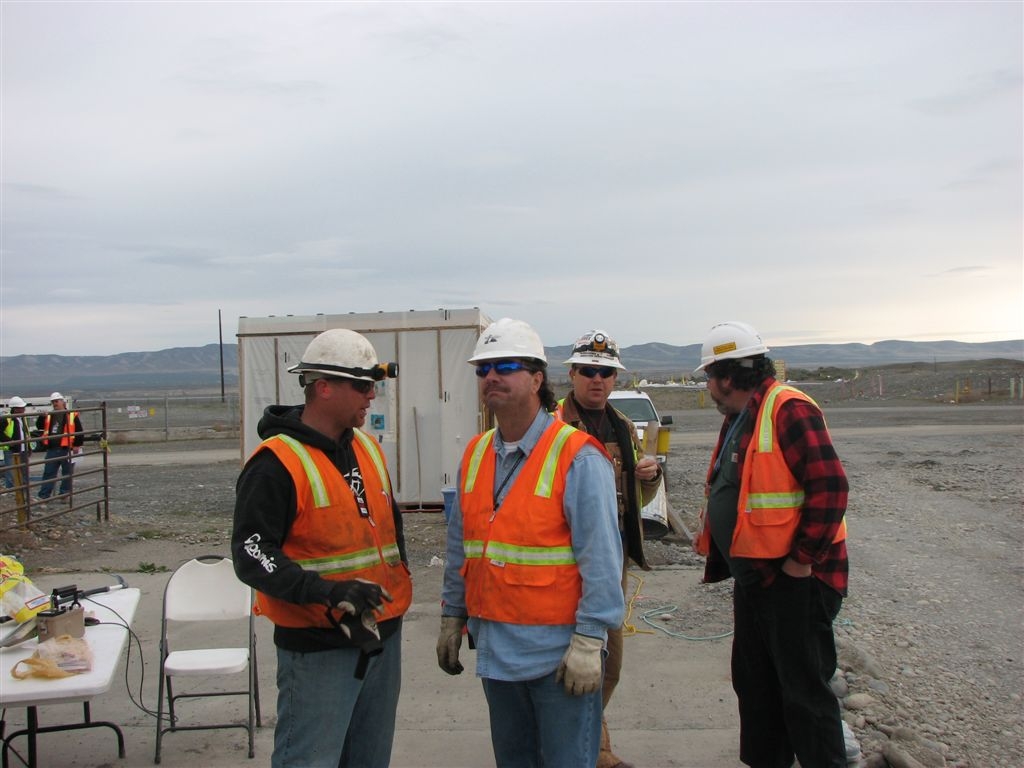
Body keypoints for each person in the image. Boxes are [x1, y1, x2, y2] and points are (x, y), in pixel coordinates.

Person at [437, 317, 625, 768]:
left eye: (505, 366)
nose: (491, 377)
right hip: (496, 652)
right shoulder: (476, 453)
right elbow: (461, 545)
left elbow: (601, 558)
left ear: (537, 378)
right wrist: (451, 614)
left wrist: (589, 639)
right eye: (483, 369)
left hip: (558, 658)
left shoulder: (577, 457)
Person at [231, 328, 412, 768]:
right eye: (363, 386)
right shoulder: (276, 463)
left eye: (375, 385)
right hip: (317, 646)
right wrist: (325, 591)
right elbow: (251, 552)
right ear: (324, 387)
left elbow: (391, 534)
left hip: (381, 636)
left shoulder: (368, 448)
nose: (372, 395)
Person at [692, 321, 850, 768]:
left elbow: (831, 488)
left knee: (803, 695)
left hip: (796, 583)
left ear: (726, 376)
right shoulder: (743, 415)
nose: (708, 387)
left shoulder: (787, 409)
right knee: (756, 687)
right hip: (760, 580)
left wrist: (800, 564)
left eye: (709, 377)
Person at [556, 329, 662, 768]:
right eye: (588, 371)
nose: (596, 379)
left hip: (610, 557)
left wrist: (650, 477)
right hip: (562, 560)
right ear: (573, 374)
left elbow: (642, 492)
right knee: (566, 660)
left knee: (608, 663)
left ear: (615, 378)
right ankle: (590, 749)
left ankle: (583, 740)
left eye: (605, 372)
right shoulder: (553, 424)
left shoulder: (622, 426)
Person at [35, 392, 83, 502]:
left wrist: (76, 445)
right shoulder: (50, 415)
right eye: (53, 402)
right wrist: (41, 417)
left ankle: (64, 494)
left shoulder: (71, 415)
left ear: (62, 401)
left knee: (67, 473)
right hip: (52, 448)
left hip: (67, 449)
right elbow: (40, 426)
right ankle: (44, 496)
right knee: (49, 473)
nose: (55, 403)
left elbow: (79, 430)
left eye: (56, 401)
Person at [1, 396, 31, 492]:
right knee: (12, 474)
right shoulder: (7, 419)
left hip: (23, 450)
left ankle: (24, 494)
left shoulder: (22, 418)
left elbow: (25, 433)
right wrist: (9, 441)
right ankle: (12, 494)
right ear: (15, 409)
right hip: (11, 451)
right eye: (22, 408)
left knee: (24, 472)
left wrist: (29, 447)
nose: (24, 409)